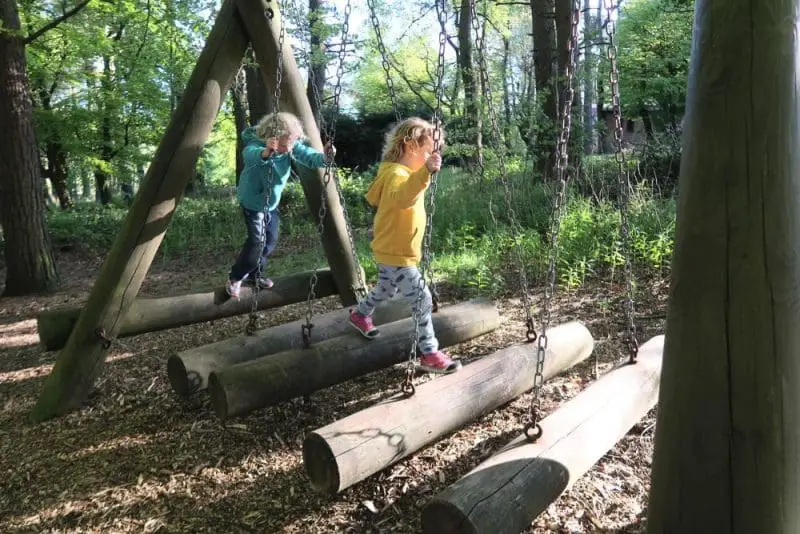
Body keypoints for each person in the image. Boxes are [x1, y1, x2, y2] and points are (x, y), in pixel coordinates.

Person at [348, 117, 461, 374]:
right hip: (395, 251)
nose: (435, 155)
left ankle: (360, 314)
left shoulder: (403, 174)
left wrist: (422, 173)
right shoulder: (397, 175)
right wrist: (425, 173)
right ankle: (429, 353)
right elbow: (402, 199)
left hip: (395, 249)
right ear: (411, 146)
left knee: (386, 290)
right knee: (422, 298)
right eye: (430, 150)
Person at [226, 111, 334, 299]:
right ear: (271, 137)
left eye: (291, 143)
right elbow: (250, 155)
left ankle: (255, 274)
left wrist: (325, 157)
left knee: (270, 240)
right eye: (285, 144)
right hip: (253, 202)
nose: (289, 148)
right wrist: (266, 152)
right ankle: (235, 277)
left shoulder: (290, 146)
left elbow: (309, 156)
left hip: (271, 203)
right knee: (256, 242)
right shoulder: (255, 144)